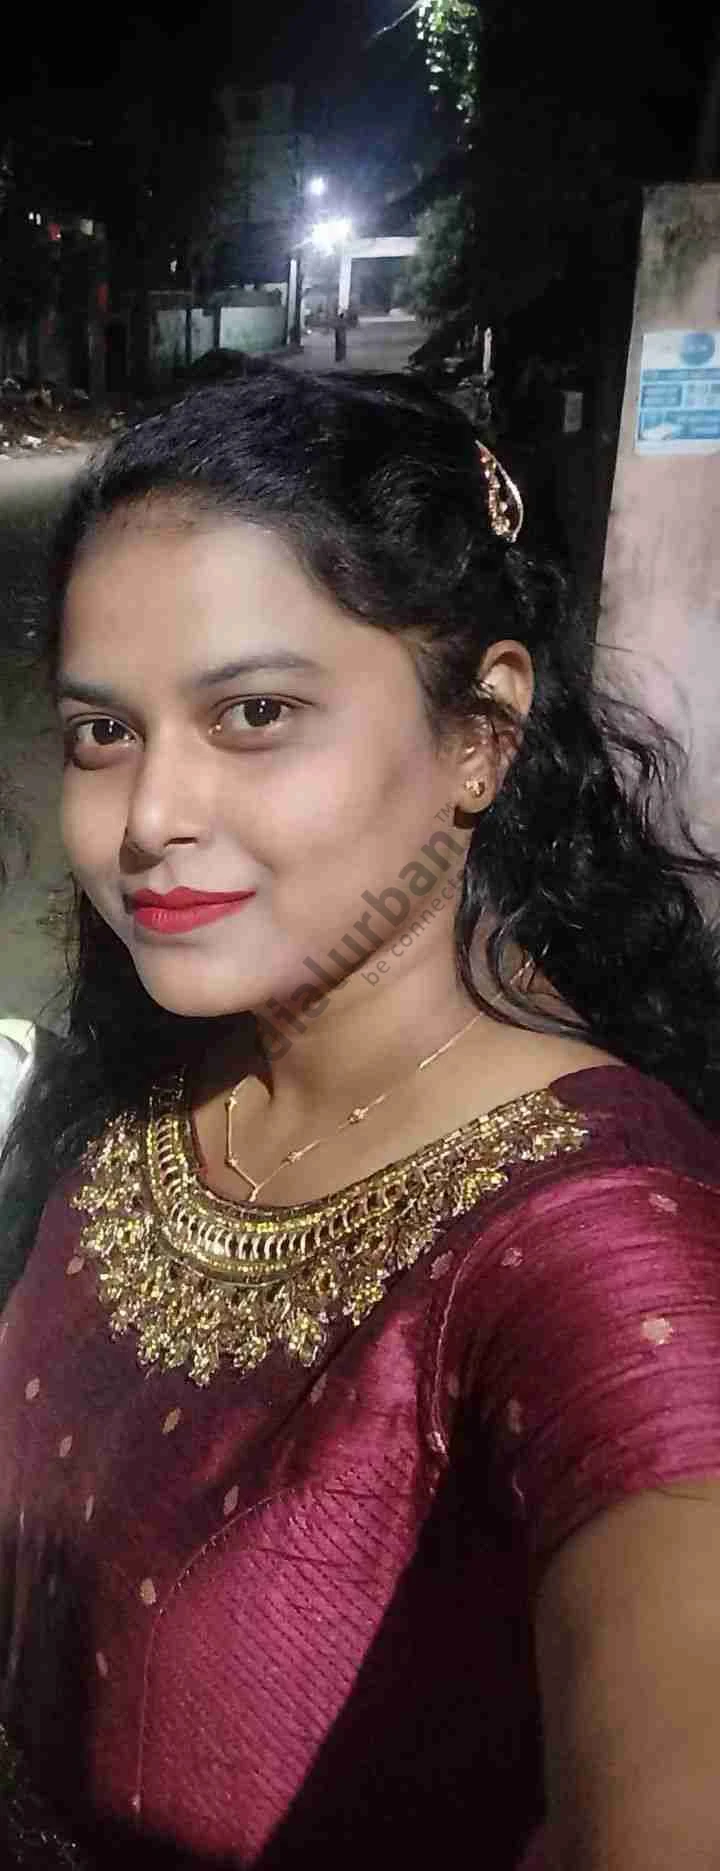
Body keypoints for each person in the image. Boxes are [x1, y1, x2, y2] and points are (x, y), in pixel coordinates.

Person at [1, 367, 720, 1871]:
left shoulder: (603, 1251)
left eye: (255, 713)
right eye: (103, 733)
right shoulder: (156, 1085)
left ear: (483, 733)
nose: (150, 817)